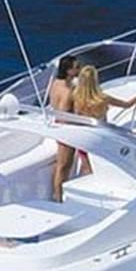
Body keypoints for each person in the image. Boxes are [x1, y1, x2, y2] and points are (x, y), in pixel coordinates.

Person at [70, 64, 136, 175]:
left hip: (84, 137)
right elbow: (127, 104)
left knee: (87, 168)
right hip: (101, 136)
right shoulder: (102, 99)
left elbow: (76, 117)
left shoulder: (76, 97)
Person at [50, 55, 80, 202]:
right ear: (69, 71)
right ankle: (58, 196)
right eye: (76, 67)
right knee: (64, 165)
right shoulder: (68, 90)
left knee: (59, 163)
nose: (79, 70)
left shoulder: (55, 83)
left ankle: (55, 193)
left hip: (57, 125)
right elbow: (64, 113)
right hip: (66, 129)